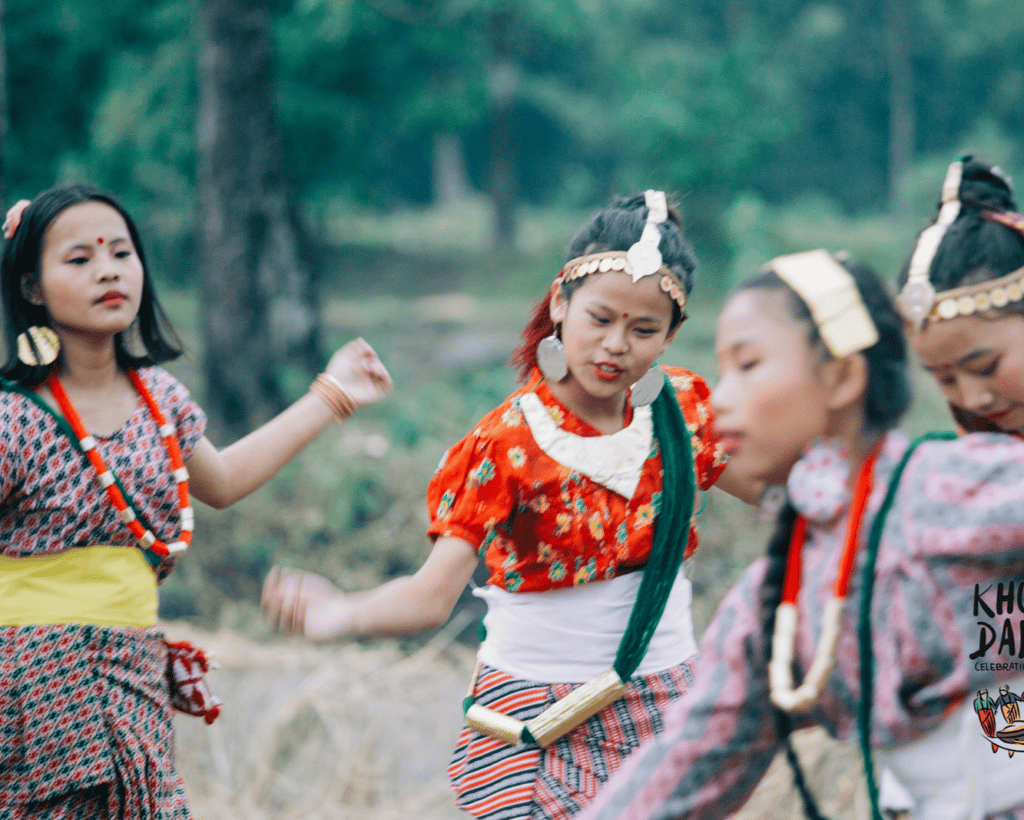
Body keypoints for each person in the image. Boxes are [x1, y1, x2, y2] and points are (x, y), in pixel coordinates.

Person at [263, 190, 752, 819]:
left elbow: (781, 491)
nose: (615, 345)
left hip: (663, 706)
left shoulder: (683, 415)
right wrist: (341, 614)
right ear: (559, 304)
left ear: (672, 336)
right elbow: (431, 596)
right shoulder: (507, 443)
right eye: (599, 319)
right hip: (533, 722)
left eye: (643, 329)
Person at [578, 234, 1024, 820]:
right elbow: (680, 768)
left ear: (841, 378)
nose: (720, 401)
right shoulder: (771, 605)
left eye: (749, 364)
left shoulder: (952, 488)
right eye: (721, 370)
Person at [0, 184, 392, 819]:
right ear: (31, 287)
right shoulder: (14, 418)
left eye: (122, 253)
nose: (108, 271)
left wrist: (332, 394)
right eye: (78, 259)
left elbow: (225, 481)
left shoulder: (160, 399)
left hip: (133, 667)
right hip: (29, 681)